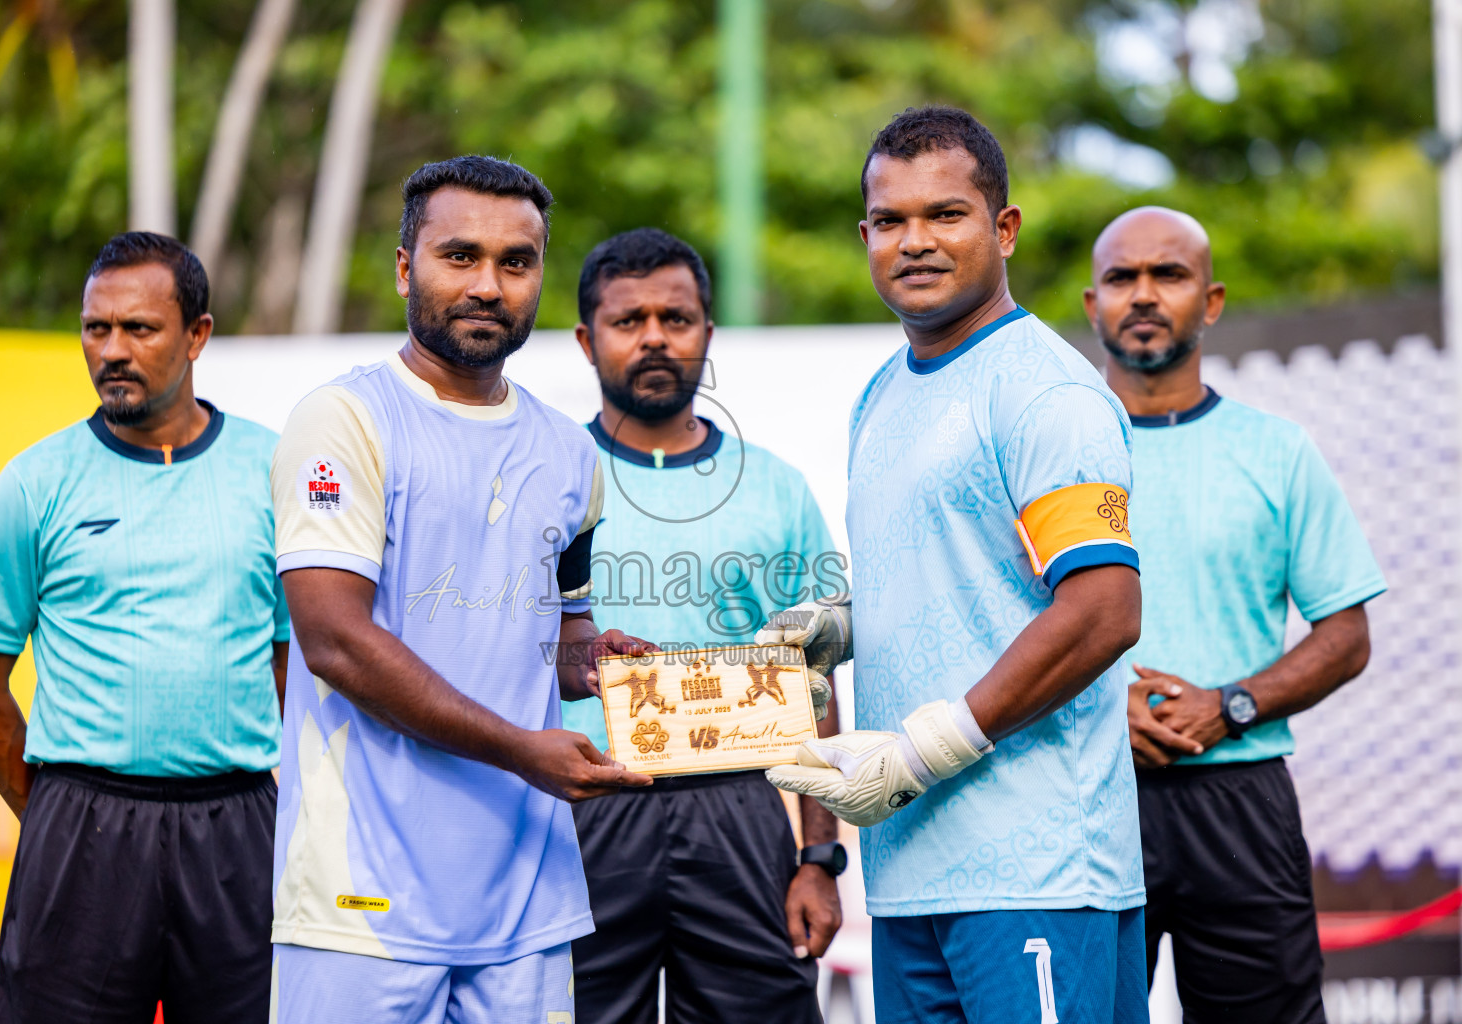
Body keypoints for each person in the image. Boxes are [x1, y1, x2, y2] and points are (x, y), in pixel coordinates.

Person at [763, 105, 1148, 1023]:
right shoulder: (881, 393)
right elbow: (964, 579)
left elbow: (1103, 610)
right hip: (909, 877)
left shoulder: (1044, 389)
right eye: (891, 221)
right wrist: (843, 627)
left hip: (1038, 868)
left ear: (1003, 228)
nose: (916, 241)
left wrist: (925, 750)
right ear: (865, 237)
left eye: (947, 214)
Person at [267, 156, 657, 1024]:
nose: (488, 284)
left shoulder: (571, 454)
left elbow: (557, 638)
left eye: (515, 263)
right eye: (460, 257)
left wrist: (599, 664)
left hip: (524, 901)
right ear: (406, 268)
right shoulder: (343, 420)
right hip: (360, 905)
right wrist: (525, 749)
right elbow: (333, 641)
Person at [0, 232, 286, 1023]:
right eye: (97, 329)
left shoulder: (272, 471)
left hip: (235, 830)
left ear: (198, 334)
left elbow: (284, 658)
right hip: (81, 829)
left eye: (140, 329)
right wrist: (57, 814)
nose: (112, 351)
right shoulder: (37, 482)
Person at [1086, 206, 1385, 1023]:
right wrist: (1102, 708)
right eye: (1122, 277)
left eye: (1168, 275)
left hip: (1241, 799)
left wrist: (1231, 706)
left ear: (1210, 302)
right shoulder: (1053, 456)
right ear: (1092, 305)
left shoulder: (1277, 450)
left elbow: (1346, 635)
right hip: (1088, 791)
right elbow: (998, 626)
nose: (1143, 295)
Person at [561, 228, 844, 1024]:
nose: (654, 336)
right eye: (628, 320)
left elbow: (816, 676)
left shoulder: (777, 489)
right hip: (583, 812)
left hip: (739, 813)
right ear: (588, 340)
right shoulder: (544, 474)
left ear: (707, 335)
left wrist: (818, 857)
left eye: (676, 318)